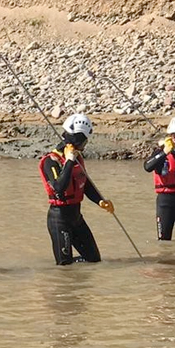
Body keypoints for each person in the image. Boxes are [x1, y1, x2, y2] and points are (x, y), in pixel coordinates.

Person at [38, 113, 114, 265]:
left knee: (93, 260)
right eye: (84, 141)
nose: (85, 145)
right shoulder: (51, 161)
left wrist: (100, 201)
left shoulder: (77, 158)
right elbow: (59, 187)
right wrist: (69, 162)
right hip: (59, 218)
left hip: (76, 217)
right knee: (64, 267)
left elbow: (84, 183)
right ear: (77, 139)